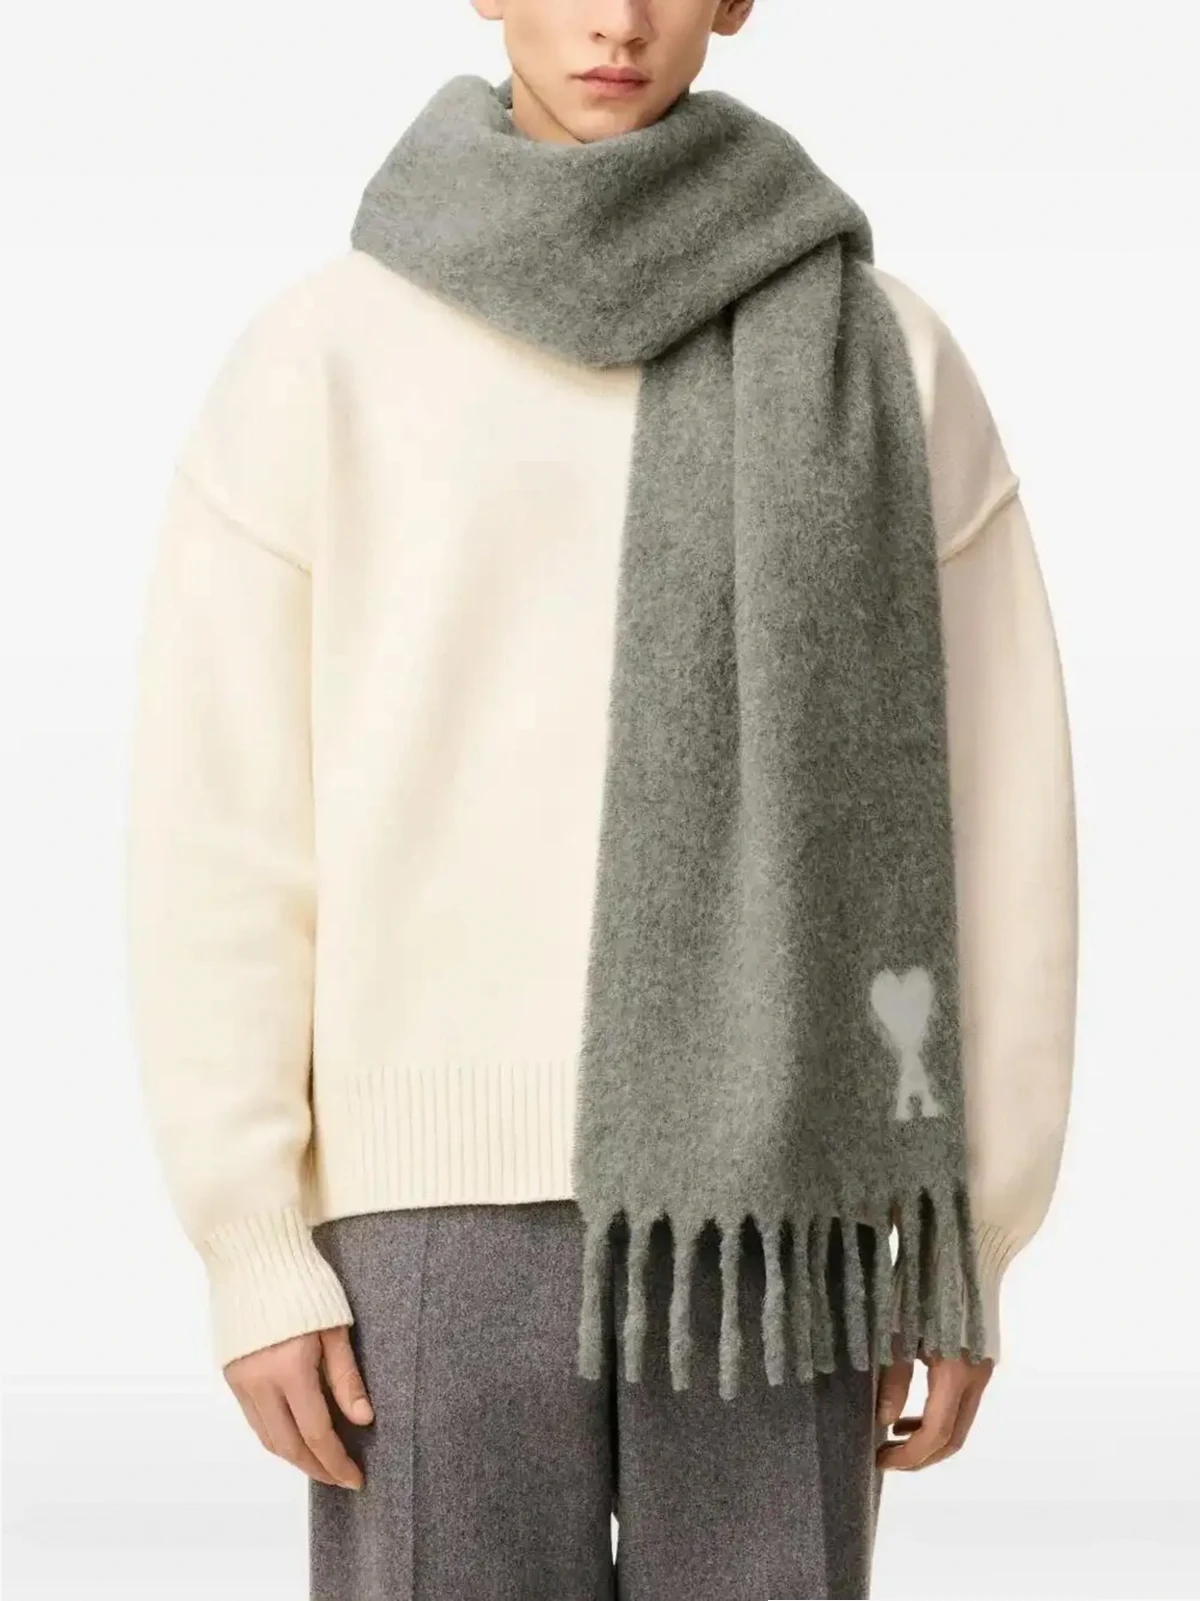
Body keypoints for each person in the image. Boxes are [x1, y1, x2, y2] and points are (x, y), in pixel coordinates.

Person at [125, 2, 1078, 1596]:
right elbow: (220, 822)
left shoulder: (884, 358)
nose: (616, 18)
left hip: (785, 1204)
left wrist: (969, 1236)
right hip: (425, 1221)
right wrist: (249, 1240)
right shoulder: (326, 355)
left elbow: (1004, 816)